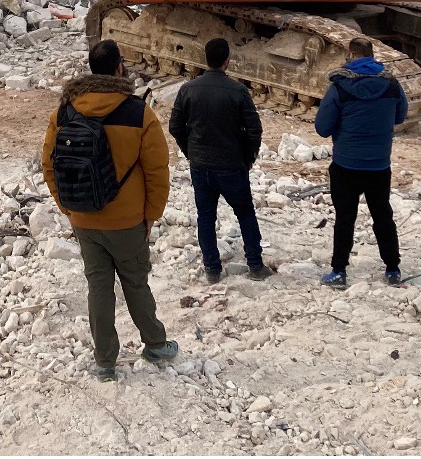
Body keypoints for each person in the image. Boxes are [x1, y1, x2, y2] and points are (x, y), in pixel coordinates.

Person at [42, 40, 177, 381]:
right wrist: (151, 214)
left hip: (83, 217)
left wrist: (68, 208)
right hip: (128, 220)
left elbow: (49, 165)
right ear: (119, 68)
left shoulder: (65, 111)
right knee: (135, 283)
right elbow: (157, 170)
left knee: (98, 287)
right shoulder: (138, 112)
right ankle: (156, 345)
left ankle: (104, 362)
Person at [168, 37, 272, 284]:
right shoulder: (238, 91)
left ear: (206, 58)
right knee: (245, 214)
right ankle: (255, 265)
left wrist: (190, 151)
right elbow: (254, 129)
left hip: (201, 165)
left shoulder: (188, 89)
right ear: (227, 60)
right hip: (231, 166)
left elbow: (175, 126)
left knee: (206, 216)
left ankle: (212, 269)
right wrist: (248, 157)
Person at [313, 36, 408, 288]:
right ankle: (392, 269)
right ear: (372, 55)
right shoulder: (391, 85)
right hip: (379, 165)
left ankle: (338, 272)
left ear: (351, 56)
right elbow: (400, 116)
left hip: (346, 164)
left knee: (345, 218)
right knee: (383, 215)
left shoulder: (339, 87)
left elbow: (322, 128)